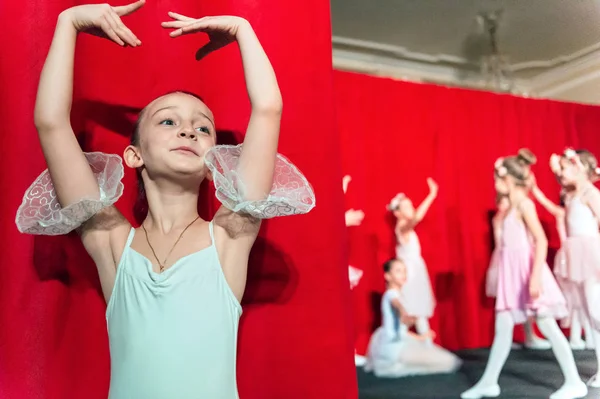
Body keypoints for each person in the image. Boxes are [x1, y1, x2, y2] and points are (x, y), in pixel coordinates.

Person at [15, 2, 315, 398]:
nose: (188, 131)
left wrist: (243, 29)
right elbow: (51, 124)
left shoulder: (229, 235)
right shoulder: (112, 243)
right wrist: (67, 22)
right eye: (169, 121)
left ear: (214, 163)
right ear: (134, 155)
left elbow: (268, 109)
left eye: (203, 127)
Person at [461, 150, 586, 399]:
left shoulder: (524, 205)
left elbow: (540, 240)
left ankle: (574, 381)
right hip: (512, 276)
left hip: (528, 273)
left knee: (547, 325)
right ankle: (489, 382)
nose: (495, 184)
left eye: (497, 179)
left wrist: (536, 277)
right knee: (503, 327)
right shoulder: (510, 208)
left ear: (508, 180)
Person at [543, 148, 600, 386]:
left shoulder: (591, 193)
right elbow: (563, 182)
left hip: (590, 253)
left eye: (566, 169)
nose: (561, 175)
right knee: (589, 312)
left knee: (596, 311)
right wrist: (556, 168)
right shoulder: (571, 194)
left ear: (579, 169)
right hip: (576, 253)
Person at [531, 161, 595, 351]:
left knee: (588, 301)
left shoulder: (588, 195)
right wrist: (536, 189)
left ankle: (585, 337)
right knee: (579, 301)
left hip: (586, 251)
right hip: (572, 253)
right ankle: (579, 337)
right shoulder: (567, 205)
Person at [363, 259, 461, 377]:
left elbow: (400, 327)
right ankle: (398, 363)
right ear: (387, 276)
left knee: (447, 361)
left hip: (396, 344)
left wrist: (418, 333)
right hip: (394, 348)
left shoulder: (398, 294)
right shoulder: (391, 294)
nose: (403, 274)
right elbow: (396, 304)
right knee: (449, 362)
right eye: (398, 271)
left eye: (404, 271)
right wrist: (404, 314)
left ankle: (402, 363)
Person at [487, 193, 551, 350]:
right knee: (507, 306)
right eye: (501, 203)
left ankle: (530, 335)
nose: (503, 206)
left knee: (528, 303)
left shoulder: (519, 211)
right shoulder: (500, 219)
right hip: (505, 261)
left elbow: (536, 238)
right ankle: (506, 340)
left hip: (518, 259)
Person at [388, 178, 438, 340]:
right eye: (407, 207)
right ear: (398, 213)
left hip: (415, 270)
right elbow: (417, 218)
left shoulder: (403, 226)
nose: (412, 208)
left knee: (419, 308)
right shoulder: (402, 227)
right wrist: (431, 195)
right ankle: (401, 342)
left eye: (411, 205)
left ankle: (426, 343)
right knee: (410, 308)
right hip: (409, 274)